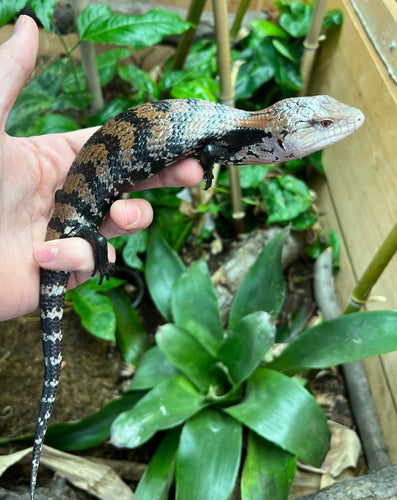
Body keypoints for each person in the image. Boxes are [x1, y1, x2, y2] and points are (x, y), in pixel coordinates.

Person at [0, 15, 203, 321]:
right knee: (95, 239)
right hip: (73, 216)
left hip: (72, 210)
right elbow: (93, 237)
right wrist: (101, 263)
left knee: (96, 235)